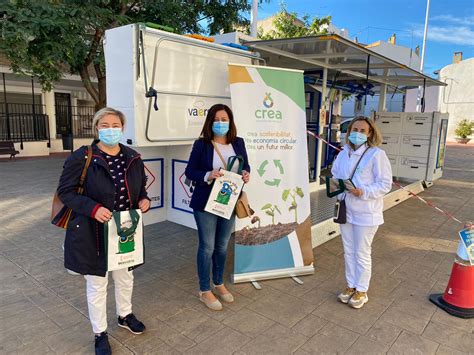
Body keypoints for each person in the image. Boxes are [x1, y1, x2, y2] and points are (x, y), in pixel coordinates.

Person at [57, 107, 150, 354]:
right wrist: (93, 208)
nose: (111, 129)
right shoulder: (82, 157)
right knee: (98, 284)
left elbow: (140, 188)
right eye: (105, 125)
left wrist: (144, 200)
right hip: (93, 232)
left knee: (125, 277)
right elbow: (65, 193)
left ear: (123, 127)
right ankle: (100, 333)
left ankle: (125, 315)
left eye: (115, 125)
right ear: (96, 128)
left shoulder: (132, 157)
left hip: (124, 231)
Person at [185, 103, 250, 311]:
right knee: (207, 246)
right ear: (210, 122)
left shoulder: (238, 143)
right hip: (206, 202)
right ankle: (204, 290)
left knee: (222, 245)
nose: (220, 123)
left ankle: (218, 283)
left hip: (229, 201)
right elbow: (190, 171)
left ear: (230, 122)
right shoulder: (202, 144)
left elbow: (245, 165)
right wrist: (208, 175)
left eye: (224, 119)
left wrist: (246, 174)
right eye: (216, 120)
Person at [331, 116, 392, 309]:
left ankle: (362, 290)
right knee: (349, 251)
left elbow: (385, 184)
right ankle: (351, 285)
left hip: (366, 212)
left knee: (362, 252)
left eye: (362, 130)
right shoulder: (343, 153)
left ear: (370, 133)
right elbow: (334, 174)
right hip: (346, 209)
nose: (357, 133)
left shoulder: (376, 154)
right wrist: (336, 186)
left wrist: (363, 191)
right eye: (354, 129)